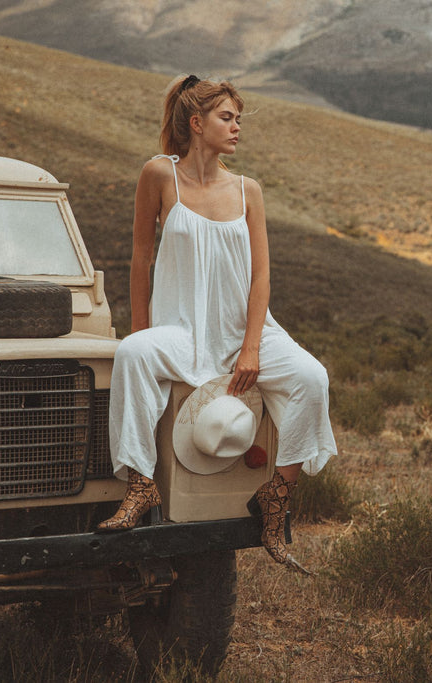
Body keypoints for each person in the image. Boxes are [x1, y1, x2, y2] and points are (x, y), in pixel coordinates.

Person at [97, 74, 336, 574]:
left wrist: (251, 348)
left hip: (245, 331)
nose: (236, 128)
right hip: (182, 329)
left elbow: (262, 274)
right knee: (132, 355)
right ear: (196, 122)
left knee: (312, 378)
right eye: (227, 118)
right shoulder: (159, 175)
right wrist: (141, 329)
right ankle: (141, 483)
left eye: (239, 119)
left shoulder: (249, 190)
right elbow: (140, 259)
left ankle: (275, 496)